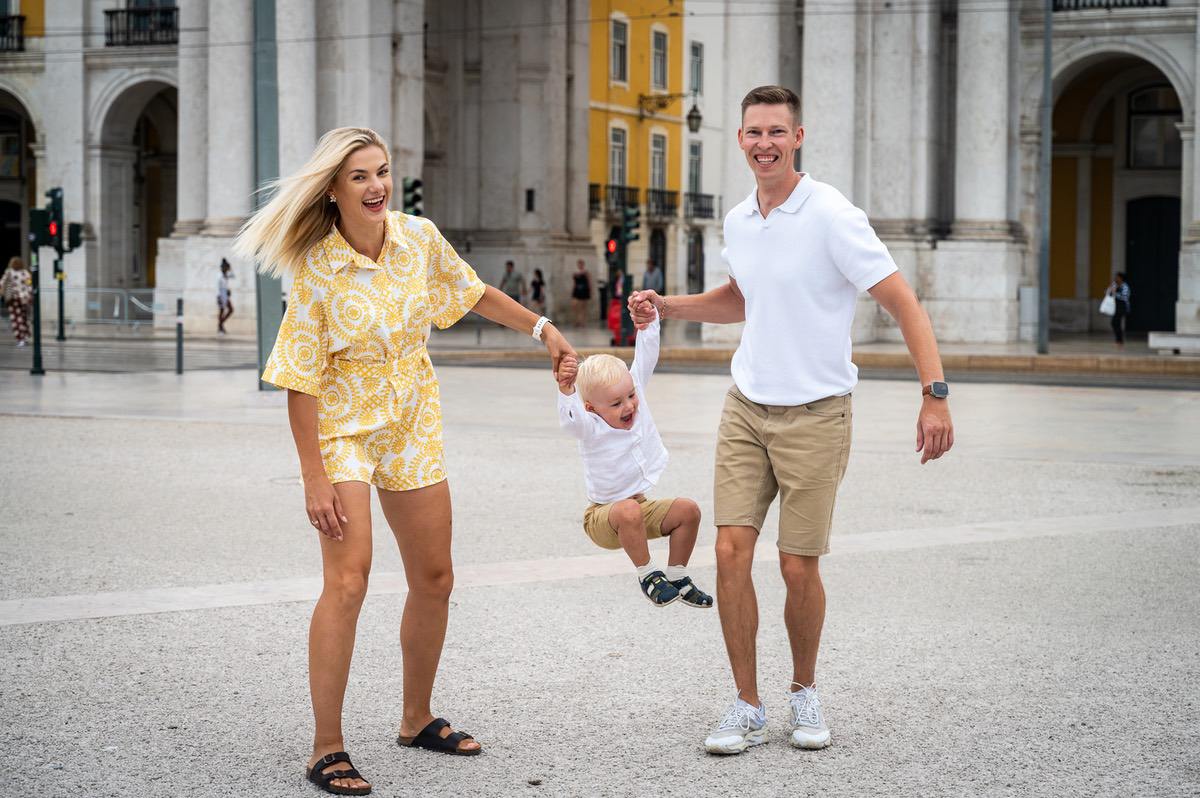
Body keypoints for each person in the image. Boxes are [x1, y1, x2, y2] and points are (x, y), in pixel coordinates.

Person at [234, 127, 575, 796]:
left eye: (382, 171)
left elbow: (471, 292)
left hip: (412, 418)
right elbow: (300, 380)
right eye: (359, 176)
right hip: (344, 426)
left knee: (436, 576)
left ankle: (416, 719)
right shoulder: (316, 267)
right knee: (349, 581)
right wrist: (313, 477)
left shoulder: (417, 238)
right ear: (332, 190)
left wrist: (543, 330)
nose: (376, 186)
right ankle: (325, 747)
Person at [629, 86, 954, 756]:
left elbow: (902, 302)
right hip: (747, 408)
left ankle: (804, 690)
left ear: (798, 137)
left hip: (816, 414)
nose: (764, 144)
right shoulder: (743, 218)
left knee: (799, 567)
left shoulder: (832, 214)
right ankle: (747, 705)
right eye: (753, 133)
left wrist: (935, 392)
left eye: (777, 132)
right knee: (728, 553)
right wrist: (670, 307)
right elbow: (743, 297)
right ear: (741, 139)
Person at [555, 309, 713, 608]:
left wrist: (648, 322)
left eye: (630, 395)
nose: (629, 406)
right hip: (604, 518)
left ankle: (678, 577)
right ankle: (648, 575)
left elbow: (646, 358)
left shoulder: (633, 398)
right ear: (591, 408)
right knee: (628, 510)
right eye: (616, 403)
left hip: (639, 511)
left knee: (688, 510)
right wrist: (566, 391)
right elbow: (570, 423)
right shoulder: (590, 425)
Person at [0, 256, 32, 347]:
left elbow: (2, 283)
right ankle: (25, 337)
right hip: (24, 299)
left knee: (16, 319)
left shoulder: (9, 272)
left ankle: (20, 338)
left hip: (12, 299)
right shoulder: (25, 273)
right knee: (24, 318)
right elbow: (29, 285)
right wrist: (28, 295)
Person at [1106, 272, 1131, 348]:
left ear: (1121, 278)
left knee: (1116, 322)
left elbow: (1125, 297)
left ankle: (1119, 340)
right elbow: (1107, 293)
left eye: (1117, 277)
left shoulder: (1125, 286)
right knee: (1115, 323)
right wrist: (1110, 289)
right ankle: (1119, 340)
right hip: (1115, 306)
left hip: (1122, 307)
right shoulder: (1114, 285)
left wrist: (1115, 294)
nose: (1116, 278)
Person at [571, 259, 592, 327]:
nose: (580, 265)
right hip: (577, 291)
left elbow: (589, 282)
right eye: (579, 264)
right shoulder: (575, 273)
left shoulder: (586, 273)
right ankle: (577, 320)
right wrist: (572, 291)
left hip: (584, 291)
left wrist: (590, 291)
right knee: (575, 306)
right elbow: (574, 283)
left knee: (583, 307)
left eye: (581, 264)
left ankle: (582, 322)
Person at [216, 258, 234, 335]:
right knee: (222, 311)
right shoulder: (219, 276)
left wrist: (230, 268)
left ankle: (220, 325)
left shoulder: (226, 275)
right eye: (225, 268)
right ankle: (220, 327)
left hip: (225, 294)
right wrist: (219, 297)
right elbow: (217, 287)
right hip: (221, 294)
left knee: (230, 310)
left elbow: (233, 276)